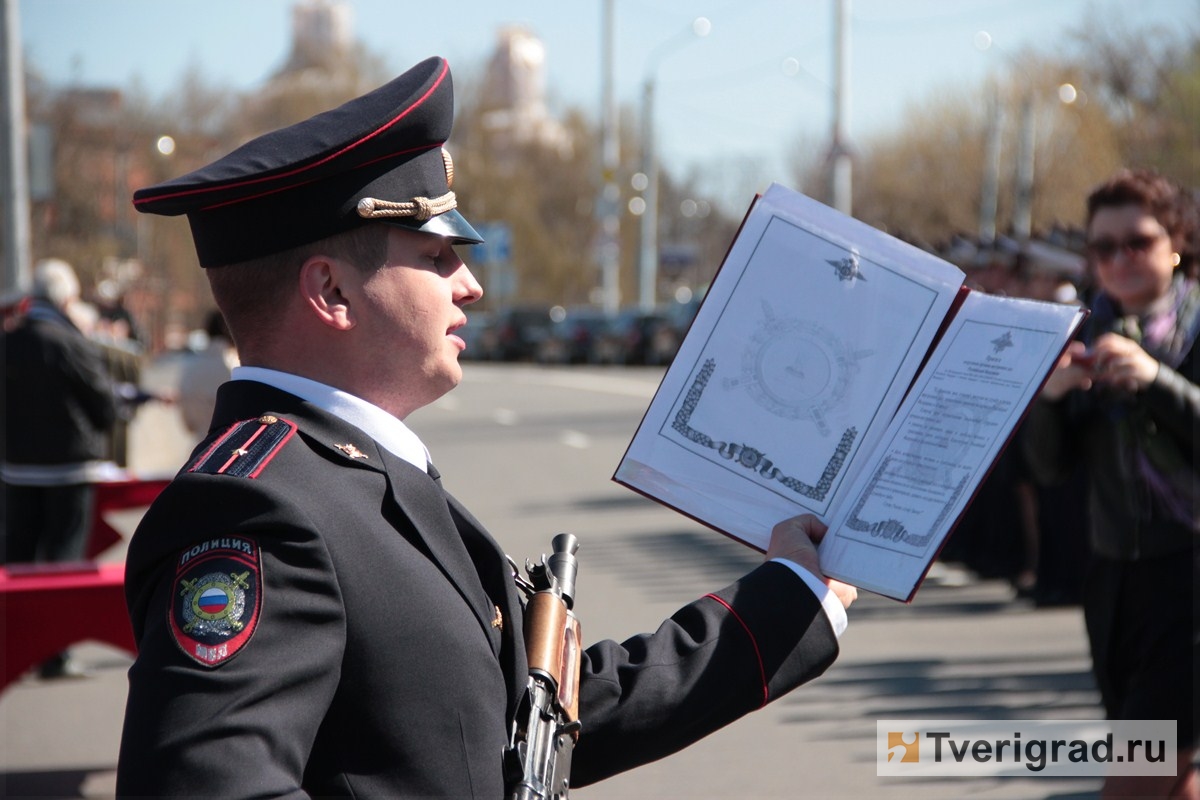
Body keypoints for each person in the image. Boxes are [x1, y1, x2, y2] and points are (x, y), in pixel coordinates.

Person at [115, 56, 856, 798]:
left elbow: (524, 719)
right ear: (332, 291)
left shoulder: (348, 474)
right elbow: (207, 786)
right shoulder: (260, 508)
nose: (470, 282)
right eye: (436, 256)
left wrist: (791, 597)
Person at [1022, 168, 1199, 799]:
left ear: (1176, 242)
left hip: (1192, 578)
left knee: (1136, 777)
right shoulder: (1084, 334)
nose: (1120, 259)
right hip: (1116, 579)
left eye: (1138, 241)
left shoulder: (1196, 328)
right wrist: (1048, 398)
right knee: (1169, 772)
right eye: (1104, 247)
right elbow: (1048, 470)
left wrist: (1156, 380)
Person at [2, 258, 120, 678]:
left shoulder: (8, 341)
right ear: (66, 298)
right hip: (69, 469)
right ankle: (55, 653)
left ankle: (12, 646)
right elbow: (105, 406)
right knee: (63, 563)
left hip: (15, 469)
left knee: (17, 562)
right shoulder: (69, 342)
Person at [176, 308, 239, 437]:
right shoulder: (237, 365)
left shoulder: (191, 366)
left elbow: (187, 416)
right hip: (238, 444)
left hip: (202, 443)